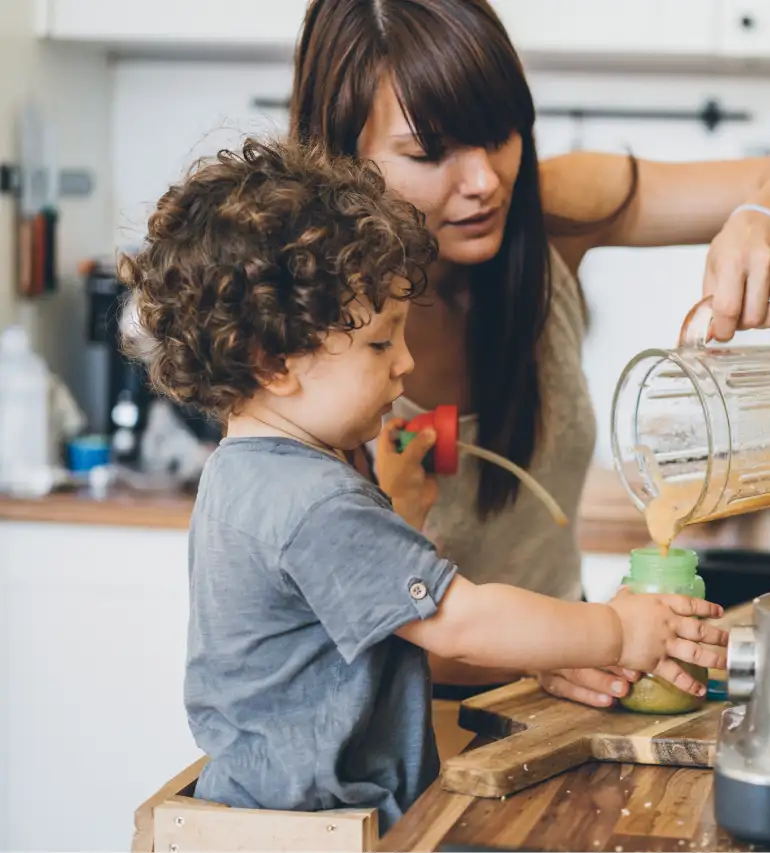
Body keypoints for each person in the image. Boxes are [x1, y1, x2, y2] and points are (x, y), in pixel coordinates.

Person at [118, 137, 728, 831]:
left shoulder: (244, 472)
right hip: (318, 832)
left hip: (272, 815)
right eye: (381, 341)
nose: (406, 362)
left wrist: (401, 504)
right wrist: (617, 632)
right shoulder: (313, 502)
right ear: (273, 362)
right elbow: (459, 624)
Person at [290, 0, 770, 707]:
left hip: (571, 698)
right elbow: (350, 621)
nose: (483, 182)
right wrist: (568, 648)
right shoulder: (300, 334)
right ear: (340, 156)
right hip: (403, 731)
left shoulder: (550, 211)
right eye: (430, 152)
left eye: (499, 133)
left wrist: (763, 222)